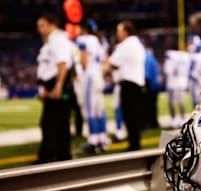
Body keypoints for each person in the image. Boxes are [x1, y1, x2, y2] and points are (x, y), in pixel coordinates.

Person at [35, 13, 74, 164]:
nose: (39, 29)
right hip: (53, 84)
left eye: (42, 25)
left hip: (58, 84)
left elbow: (62, 63)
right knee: (59, 123)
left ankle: (49, 157)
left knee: (50, 123)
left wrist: (58, 85)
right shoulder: (51, 41)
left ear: (52, 24)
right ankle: (61, 156)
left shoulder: (58, 39)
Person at [104, 21, 146, 151]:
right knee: (134, 116)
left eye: (119, 31)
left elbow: (111, 63)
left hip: (129, 84)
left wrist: (104, 61)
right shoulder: (137, 43)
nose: (117, 34)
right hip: (137, 84)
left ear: (126, 32)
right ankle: (135, 143)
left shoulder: (126, 44)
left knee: (129, 116)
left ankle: (134, 145)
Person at [76, 19, 108, 153]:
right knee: (99, 109)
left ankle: (93, 141)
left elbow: (83, 62)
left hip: (89, 77)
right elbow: (106, 60)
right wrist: (99, 73)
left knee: (90, 110)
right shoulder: (100, 41)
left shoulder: (85, 39)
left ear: (84, 28)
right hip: (98, 76)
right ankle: (102, 140)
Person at [143, 39, 161, 129]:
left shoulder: (146, 56)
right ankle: (154, 123)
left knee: (148, 106)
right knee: (152, 106)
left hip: (150, 85)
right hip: (155, 85)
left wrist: (145, 85)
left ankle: (150, 123)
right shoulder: (151, 56)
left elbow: (147, 74)